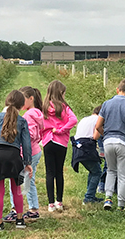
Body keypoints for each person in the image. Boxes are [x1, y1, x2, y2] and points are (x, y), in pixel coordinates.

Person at [0, 90, 32, 230]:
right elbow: (27, 144)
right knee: (16, 188)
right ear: (21, 105)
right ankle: (20, 220)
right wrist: (27, 163)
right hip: (14, 155)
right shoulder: (22, 121)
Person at [95, 78, 125, 211]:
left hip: (108, 142)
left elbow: (98, 126)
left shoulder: (106, 104)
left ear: (118, 90)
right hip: (124, 143)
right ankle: (121, 204)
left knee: (111, 170)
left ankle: (108, 198)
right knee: (123, 174)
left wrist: (106, 135)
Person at [3, 86, 44, 222]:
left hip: (28, 151)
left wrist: (17, 133)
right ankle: (31, 208)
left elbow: (30, 134)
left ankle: (21, 208)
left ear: (30, 99)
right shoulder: (37, 113)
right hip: (35, 149)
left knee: (19, 180)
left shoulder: (28, 115)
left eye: (23, 99)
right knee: (27, 179)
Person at [40, 80, 78, 213]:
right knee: (59, 172)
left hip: (48, 141)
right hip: (60, 142)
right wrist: (62, 129)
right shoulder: (63, 107)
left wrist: (41, 136)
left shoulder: (43, 107)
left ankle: (50, 204)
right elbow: (73, 120)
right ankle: (59, 201)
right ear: (60, 93)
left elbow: (40, 123)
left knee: (49, 172)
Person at [71, 105, 104, 204]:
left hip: (77, 146)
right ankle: (89, 197)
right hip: (87, 147)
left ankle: (91, 195)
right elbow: (95, 136)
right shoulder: (99, 120)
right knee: (97, 172)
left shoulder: (84, 119)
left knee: (93, 170)